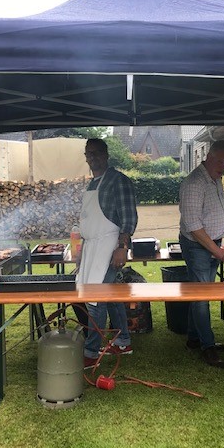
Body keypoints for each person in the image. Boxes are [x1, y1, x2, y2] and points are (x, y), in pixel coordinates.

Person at [75, 138, 138, 369]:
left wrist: (122, 248)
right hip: (91, 246)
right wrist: (81, 252)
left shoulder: (118, 181)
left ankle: (91, 352)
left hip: (109, 246)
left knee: (97, 299)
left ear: (106, 154)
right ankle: (123, 340)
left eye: (97, 153)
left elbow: (128, 217)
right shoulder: (92, 184)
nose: (92, 157)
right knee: (109, 295)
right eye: (88, 154)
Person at [179, 140, 224, 368]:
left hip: (212, 245)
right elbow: (193, 225)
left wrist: (218, 245)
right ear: (208, 156)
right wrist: (217, 250)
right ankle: (207, 346)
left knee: (199, 293)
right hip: (198, 246)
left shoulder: (215, 179)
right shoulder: (194, 183)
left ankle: (194, 338)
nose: (222, 166)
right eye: (220, 160)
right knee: (202, 297)